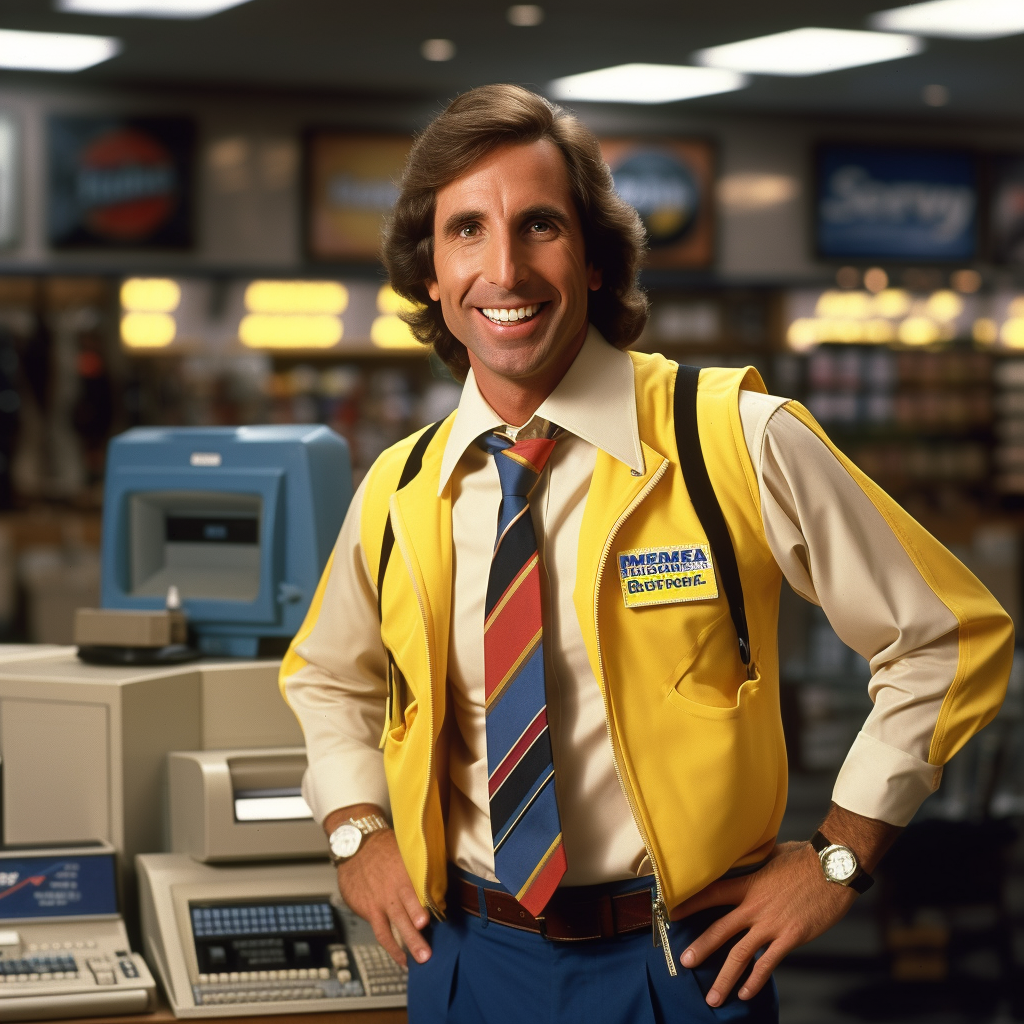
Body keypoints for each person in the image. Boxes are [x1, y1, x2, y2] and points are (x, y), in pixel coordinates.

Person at [280, 84, 1013, 1023]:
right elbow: (327, 678)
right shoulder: (400, 484)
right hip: (463, 961)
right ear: (431, 274)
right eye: (467, 230)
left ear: (592, 258)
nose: (504, 269)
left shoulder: (734, 440)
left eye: (539, 225)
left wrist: (841, 854)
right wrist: (354, 828)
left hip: (681, 967)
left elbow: (945, 636)